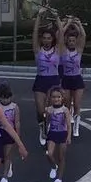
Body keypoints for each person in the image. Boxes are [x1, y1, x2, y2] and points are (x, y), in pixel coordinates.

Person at [31, 10, 62, 147]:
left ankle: (48, 127)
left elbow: (61, 32)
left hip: (53, 80)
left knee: (50, 109)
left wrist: (57, 17)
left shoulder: (58, 49)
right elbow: (34, 32)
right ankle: (42, 128)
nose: (46, 40)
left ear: (52, 39)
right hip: (41, 81)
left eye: (49, 38)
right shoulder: (38, 50)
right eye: (44, 38)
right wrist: (39, 16)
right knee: (40, 110)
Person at [60, 18, 87, 138]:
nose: (71, 42)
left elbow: (83, 35)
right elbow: (60, 34)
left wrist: (78, 24)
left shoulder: (79, 50)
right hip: (66, 79)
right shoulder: (63, 50)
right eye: (69, 40)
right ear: (67, 41)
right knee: (66, 103)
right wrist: (67, 23)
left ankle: (76, 126)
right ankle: (67, 124)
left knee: (76, 104)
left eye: (73, 40)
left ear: (76, 41)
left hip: (77, 79)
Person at [45, 87, 73, 182]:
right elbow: (47, 122)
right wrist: (45, 132)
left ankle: (59, 177)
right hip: (52, 133)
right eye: (53, 97)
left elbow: (69, 125)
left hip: (62, 134)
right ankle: (54, 166)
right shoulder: (49, 109)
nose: (56, 99)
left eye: (58, 97)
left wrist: (69, 136)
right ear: (50, 98)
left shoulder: (65, 110)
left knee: (61, 157)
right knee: (49, 154)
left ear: (62, 98)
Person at [0, 83, 20, 182]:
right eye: (3, 98)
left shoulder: (14, 107)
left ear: (11, 97)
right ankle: (7, 164)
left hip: (10, 132)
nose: (5, 100)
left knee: (7, 154)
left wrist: (17, 135)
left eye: (7, 98)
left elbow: (17, 121)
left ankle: (4, 175)